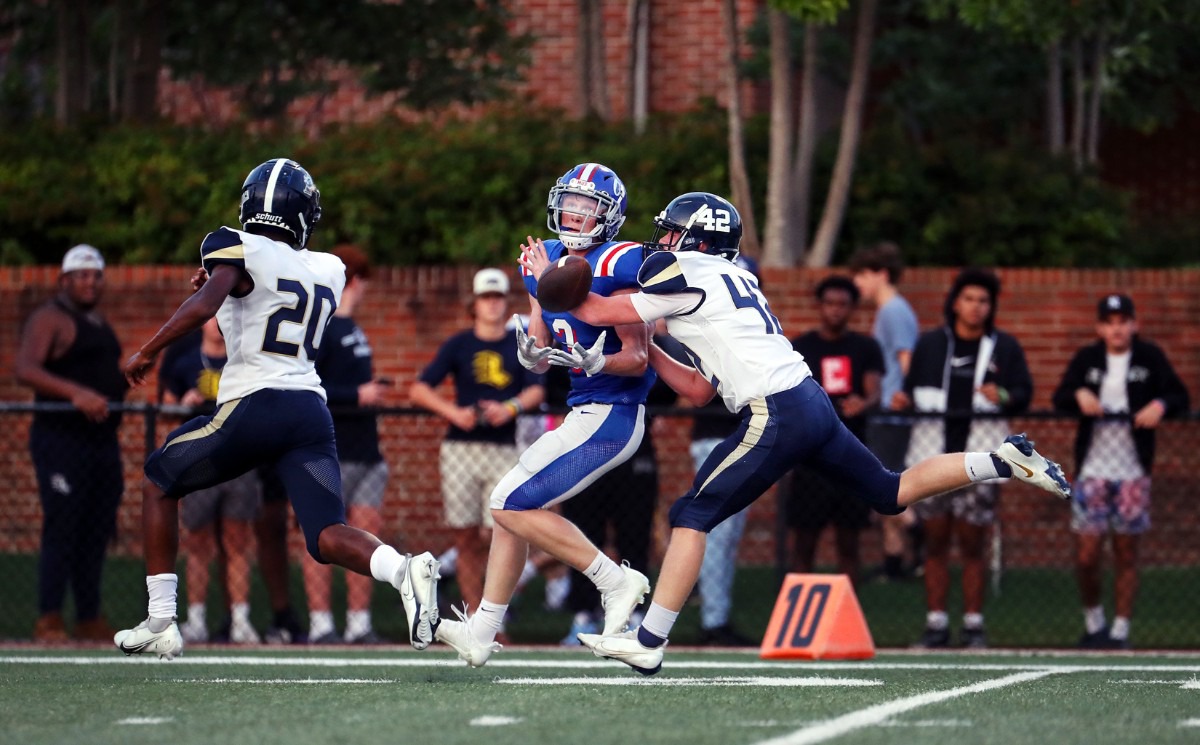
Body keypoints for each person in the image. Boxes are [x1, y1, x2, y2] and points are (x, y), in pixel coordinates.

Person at [520, 191, 1071, 675]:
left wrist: (544, 272)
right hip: (809, 401)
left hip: (774, 410)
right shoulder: (734, 278)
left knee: (690, 516)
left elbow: (588, 304)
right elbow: (698, 389)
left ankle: (648, 640)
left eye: (671, 230)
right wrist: (645, 344)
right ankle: (1001, 460)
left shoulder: (684, 271)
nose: (660, 239)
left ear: (694, 239)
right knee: (890, 491)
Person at [113, 157, 440, 659]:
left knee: (160, 479)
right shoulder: (330, 269)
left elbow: (211, 306)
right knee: (327, 534)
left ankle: (161, 619)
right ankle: (404, 569)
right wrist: (220, 291)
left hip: (256, 402)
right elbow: (256, 297)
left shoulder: (233, 245)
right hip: (310, 412)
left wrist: (147, 350)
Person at [431, 162, 657, 667]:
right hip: (581, 410)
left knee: (506, 503)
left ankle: (615, 581)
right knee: (511, 509)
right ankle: (484, 629)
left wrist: (600, 360)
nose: (574, 213)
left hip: (614, 412)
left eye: (587, 205)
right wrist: (533, 353)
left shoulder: (620, 264)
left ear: (609, 214)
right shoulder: (547, 257)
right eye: (569, 202)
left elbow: (638, 357)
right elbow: (538, 334)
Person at [895, 268, 1033, 649]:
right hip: (932, 459)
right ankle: (936, 624)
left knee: (974, 544)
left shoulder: (1003, 347)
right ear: (956, 303)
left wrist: (1002, 396)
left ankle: (974, 626)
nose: (976, 307)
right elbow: (909, 393)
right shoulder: (930, 344)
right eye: (969, 299)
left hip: (983, 460)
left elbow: (1023, 392)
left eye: (984, 301)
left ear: (991, 307)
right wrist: (902, 401)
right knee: (934, 542)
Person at [1052, 293, 1189, 650]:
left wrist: (1160, 404)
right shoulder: (1087, 359)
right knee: (1087, 553)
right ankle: (1093, 622)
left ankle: (1120, 630)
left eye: (1123, 321)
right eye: (1110, 322)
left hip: (1131, 469)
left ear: (1134, 325)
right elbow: (1060, 396)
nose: (1117, 329)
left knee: (1127, 552)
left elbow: (1179, 395)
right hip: (1093, 468)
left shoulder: (1149, 357)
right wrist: (1080, 394)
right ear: (1100, 327)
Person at [409, 267, 546, 616]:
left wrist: (509, 408)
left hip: (503, 448)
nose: (492, 305)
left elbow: (535, 390)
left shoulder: (518, 343)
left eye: (498, 297)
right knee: (466, 536)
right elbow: (419, 388)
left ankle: (493, 613)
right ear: (475, 302)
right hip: (461, 447)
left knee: (499, 533)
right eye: (486, 298)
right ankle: (472, 614)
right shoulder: (459, 343)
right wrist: (453, 413)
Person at [15, 244, 127, 642]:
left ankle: (88, 615)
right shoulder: (50, 319)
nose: (90, 282)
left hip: (101, 443)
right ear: (64, 280)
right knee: (62, 525)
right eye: (81, 275)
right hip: (62, 439)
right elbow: (25, 367)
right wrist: (75, 393)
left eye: (96, 275)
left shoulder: (99, 323)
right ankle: (49, 616)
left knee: (96, 529)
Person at [302, 244, 394, 644]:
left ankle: (359, 623)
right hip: (331, 449)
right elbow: (309, 385)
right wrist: (358, 395)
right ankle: (321, 624)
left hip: (366, 449)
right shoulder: (319, 327)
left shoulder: (353, 326)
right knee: (322, 536)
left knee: (367, 535)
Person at [158, 318, 262, 644]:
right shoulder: (186, 362)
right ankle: (197, 620)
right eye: (213, 318)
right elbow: (164, 411)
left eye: (225, 318)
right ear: (203, 323)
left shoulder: (245, 363)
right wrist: (183, 403)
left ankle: (241, 621)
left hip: (239, 462)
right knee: (198, 545)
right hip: (199, 464)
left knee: (237, 543)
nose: (219, 324)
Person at [788, 275, 884, 584]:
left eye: (843, 305)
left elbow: (876, 391)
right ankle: (797, 616)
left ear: (853, 308)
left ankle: (847, 616)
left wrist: (864, 402)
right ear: (819, 306)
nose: (835, 311)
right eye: (829, 304)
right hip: (810, 458)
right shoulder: (800, 347)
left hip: (851, 455)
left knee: (849, 544)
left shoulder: (865, 347)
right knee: (803, 544)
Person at [850, 241, 922, 581]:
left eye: (862, 275)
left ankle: (917, 530)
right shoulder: (888, 310)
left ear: (881, 273)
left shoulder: (894, 310)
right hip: (883, 412)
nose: (858, 284)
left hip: (893, 414)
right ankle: (894, 559)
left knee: (885, 484)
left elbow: (908, 359)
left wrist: (904, 394)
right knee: (884, 482)